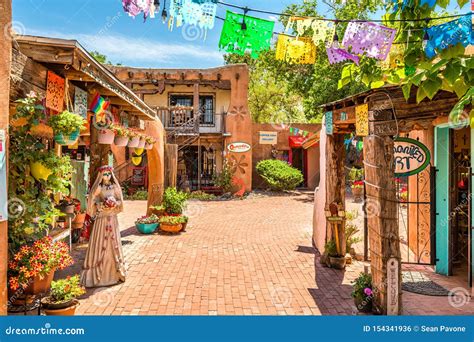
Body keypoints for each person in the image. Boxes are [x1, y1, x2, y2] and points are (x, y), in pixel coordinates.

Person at [80, 165, 126, 287]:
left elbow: (120, 201)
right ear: (101, 176)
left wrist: (115, 203)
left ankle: (114, 273)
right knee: (100, 244)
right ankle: (98, 276)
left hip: (112, 219)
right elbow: (91, 202)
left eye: (109, 174)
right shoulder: (98, 188)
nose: (107, 176)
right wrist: (101, 205)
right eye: (105, 174)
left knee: (114, 244)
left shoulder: (114, 187)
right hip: (101, 220)